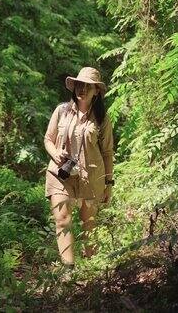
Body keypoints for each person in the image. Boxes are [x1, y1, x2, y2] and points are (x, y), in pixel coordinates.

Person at [43, 66, 114, 269]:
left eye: (87, 87)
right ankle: (69, 269)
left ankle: (93, 269)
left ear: (96, 91)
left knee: (88, 223)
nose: (82, 90)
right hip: (60, 173)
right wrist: (55, 154)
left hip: (91, 175)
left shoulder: (102, 118)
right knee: (62, 219)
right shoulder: (61, 111)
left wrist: (109, 183)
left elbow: (108, 152)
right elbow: (48, 139)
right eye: (79, 85)